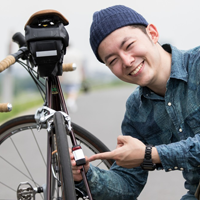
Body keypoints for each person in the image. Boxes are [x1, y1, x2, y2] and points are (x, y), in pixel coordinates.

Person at [70, 5, 200, 200]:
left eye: (129, 45)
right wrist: (85, 175)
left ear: (153, 33)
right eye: (113, 60)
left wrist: (150, 154)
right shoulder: (136, 109)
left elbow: (146, 155)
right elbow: (127, 184)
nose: (127, 61)